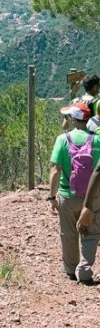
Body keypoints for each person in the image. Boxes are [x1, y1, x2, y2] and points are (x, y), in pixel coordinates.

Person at [49, 101, 100, 284]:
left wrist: (52, 197)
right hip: (92, 197)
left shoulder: (62, 140)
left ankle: (71, 269)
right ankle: (85, 270)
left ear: (73, 118)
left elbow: (55, 171)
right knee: (92, 233)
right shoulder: (97, 140)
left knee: (68, 233)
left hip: (67, 195)